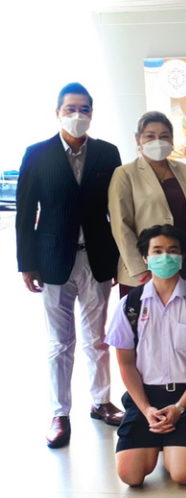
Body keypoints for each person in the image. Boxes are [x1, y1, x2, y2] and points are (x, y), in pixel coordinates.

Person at [16, 82, 124, 449]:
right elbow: (26, 212)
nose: (77, 115)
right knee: (60, 343)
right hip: (53, 261)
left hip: (96, 258)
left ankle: (101, 401)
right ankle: (59, 413)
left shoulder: (107, 153)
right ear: (58, 112)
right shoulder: (37, 154)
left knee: (98, 338)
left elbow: (116, 209)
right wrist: (27, 264)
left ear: (92, 113)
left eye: (84, 109)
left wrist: (118, 258)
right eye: (70, 109)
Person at [106, 224, 186, 486]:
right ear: (145, 258)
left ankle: (170, 444)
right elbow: (126, 363)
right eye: (157, 251)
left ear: (182, 256)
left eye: (172, 250)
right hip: (145, 396)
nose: (165, 256)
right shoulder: (130, 304)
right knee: (130, 476)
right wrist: (146, 409)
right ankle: (158, 440)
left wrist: (180, 407)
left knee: (183, 475)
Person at [108, 111, 186, 296]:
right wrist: (140, 267)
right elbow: (121, 226)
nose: (158, 141)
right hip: (145, 270)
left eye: (164, 136)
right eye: (150, 136)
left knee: (181, 313)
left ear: (172, 140)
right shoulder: (125, 174)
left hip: (180, 263)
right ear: (138, 139)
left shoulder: (184, 171)